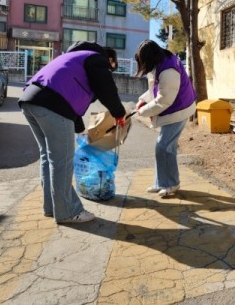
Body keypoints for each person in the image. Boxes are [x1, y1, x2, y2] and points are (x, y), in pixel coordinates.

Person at [19, 41, 126, 224]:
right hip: (52, 105)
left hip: (31, 100)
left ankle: (52, 207)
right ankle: (68, 212)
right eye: (113, 66)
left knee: (48, 157)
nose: (111, 70)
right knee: (61, 161)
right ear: (109, 59)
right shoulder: (96, 59)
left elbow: (70, 96)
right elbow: (106, 88)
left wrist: (79, 128)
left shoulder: (72, 58)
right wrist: (119, 113)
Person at [133, 40, 196, 197]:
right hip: (177, 107)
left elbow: (164, 99)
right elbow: (156, 89)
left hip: (179, 110)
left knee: (163, 147)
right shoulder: (162, 62)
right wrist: (143, 100)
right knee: (165, 148)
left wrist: (143, 112)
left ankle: (171, 184)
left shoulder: (168, 69)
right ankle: (161, 182)